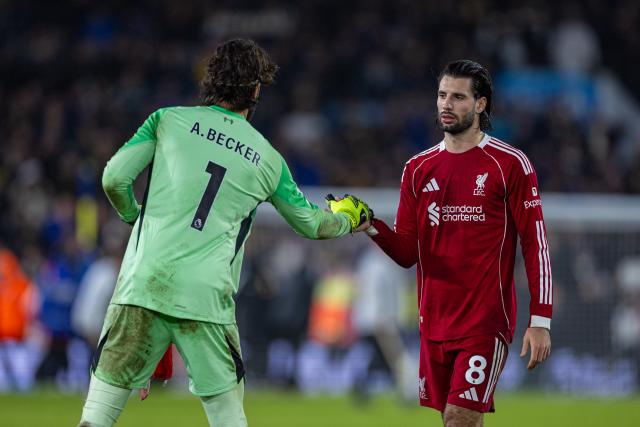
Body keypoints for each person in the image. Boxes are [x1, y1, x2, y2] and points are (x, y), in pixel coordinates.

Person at [77, 38, 371, 427]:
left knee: (96, 417)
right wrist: (350, 216)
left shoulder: (167, 120)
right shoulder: (268, 159)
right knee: (228, 420)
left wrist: (136, 218)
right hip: (206, 301)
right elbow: (312, 225)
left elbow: (114, 178)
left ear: (210, 81)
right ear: (256, 89)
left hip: (141, 286)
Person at [338, 60, 553, 426]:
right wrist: (369, 224)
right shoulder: (418, 169)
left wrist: (541, 319)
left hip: (485, 321)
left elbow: (536, 245)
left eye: (457, 96)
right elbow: (407, 252)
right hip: (434, 323)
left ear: (480, 104)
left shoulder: (510, 164)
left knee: (459, 418)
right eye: (441, 95)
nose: (446, 104)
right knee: (456, 420)